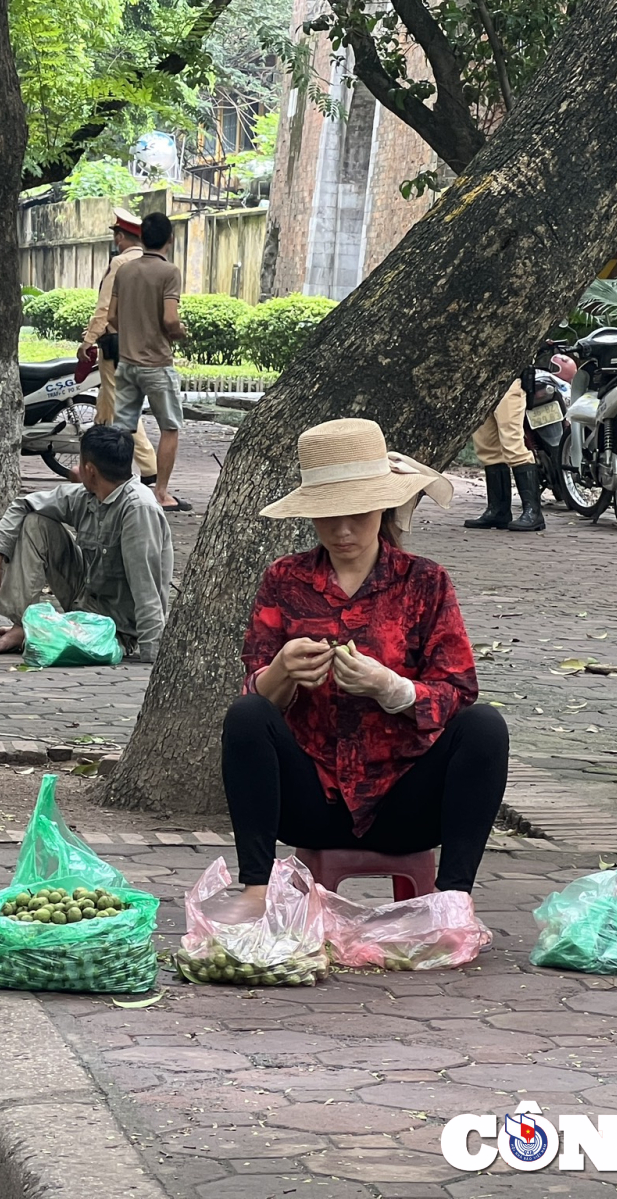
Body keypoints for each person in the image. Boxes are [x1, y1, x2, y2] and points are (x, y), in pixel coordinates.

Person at [223, 418, 507, 906]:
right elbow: (257, 695)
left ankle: (454, 898)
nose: (343, 529)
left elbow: (459, 691)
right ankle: (253, 888)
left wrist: (393, 689)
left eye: (356, 512)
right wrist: (282, 673)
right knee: (245, 715)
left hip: (406, 801)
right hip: (312, 799)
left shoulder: (425, 581)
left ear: (383, 505)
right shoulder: (284, 579)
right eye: (328, 516)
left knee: (484, 727)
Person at [0, 423, 173, 662]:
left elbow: (147, 588)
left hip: (116, 627)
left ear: (90, 470)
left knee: (55, 645)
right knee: (35, 521)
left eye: (80, 463)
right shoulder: (87, 496)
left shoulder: (137, 509)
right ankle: (23, 626)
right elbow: (23, 504)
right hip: (85, 602)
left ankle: (55, 633)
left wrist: (153, 658)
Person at [108, 211, 190, 511]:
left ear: (141, 237)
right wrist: (179, 332)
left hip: (126, 363)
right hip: (156, 363)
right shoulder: (169, 272)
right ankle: (161, 493)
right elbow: (170, 319)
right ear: (170, 239)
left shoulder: (124, 271)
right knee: (169, 427)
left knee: (123, 428)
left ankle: (117, 487)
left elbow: (113, 316)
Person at [76, 207, 158, 484]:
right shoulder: (155, 264)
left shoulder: (120, 264)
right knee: (106, 406)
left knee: (123, 406)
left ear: (121, 237)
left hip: (117, 346)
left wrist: (87, 341)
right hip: (144, 347)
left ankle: (150, 470)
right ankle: (95, 458)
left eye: (116, 236)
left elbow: (104, 308)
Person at [462, 379, 543, 532]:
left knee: (512, 444)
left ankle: (533, 512)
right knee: (487, 448)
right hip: (480, 382)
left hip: (509, 381)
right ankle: (498, 511)